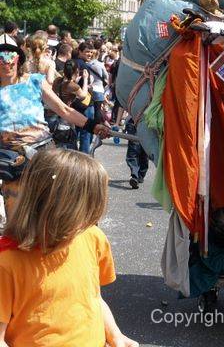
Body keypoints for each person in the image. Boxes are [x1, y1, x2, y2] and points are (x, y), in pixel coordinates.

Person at [0, 148, 138, 347]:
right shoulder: (7, 262)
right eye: (86, 211)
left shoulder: (93, 237)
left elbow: (93, 297)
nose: (91, 220)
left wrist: (116, 335)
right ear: (55, 209)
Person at [0, 34, 109, 220]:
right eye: (1, 58)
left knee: (51, 211)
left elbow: (64, 110)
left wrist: (93, 126)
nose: (6, 63)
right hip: (11, 162)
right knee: (17, 219)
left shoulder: (34, 81)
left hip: (43, 154)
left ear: (19, 59)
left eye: (10, 56)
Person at [50, 60, 91, 149]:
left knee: (57, 144)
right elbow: (83, 96)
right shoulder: (73, 86)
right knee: (69, 146)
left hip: (54, 115)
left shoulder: (57, 81)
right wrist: (85, 79)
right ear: (77, 71)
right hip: (66, 117)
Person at [125, 117, 148, 189]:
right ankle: (135, 176)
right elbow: (122, 108)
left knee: (144, 150)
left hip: (147, 121)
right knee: (133, 150)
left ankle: (140, 175)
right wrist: (117, 123)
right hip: (133, 122)